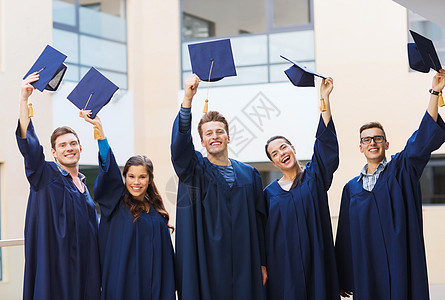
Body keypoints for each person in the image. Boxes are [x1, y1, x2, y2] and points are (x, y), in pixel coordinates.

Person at [335, 70, 445, 300]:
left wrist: (435, 92)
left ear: (386, 143)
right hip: (368, 269)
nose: (372, 142)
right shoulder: (351, 189)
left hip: (399, 263)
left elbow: (422, 139)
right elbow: (345, 235)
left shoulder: (401, 170)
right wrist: (345, 277)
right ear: (360, 147)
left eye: (377, 138)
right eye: (366, 139)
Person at [171, 74, 267, 300]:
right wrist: (188, 99)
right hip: (208, 266)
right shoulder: (194, 170)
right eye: (209, 133)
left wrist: (262, 262)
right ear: (202, 142)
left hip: (246, 264)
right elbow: (179, 148)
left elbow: (260, 221)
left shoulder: (250, 175)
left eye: (219, 132)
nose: (215, 137)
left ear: (228, 137)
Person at [17, 73, 101, 299]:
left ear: (81, 148)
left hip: (85, 274)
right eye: (62, 145)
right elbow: (29, 146)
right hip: (57, 274)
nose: (69, 148)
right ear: (54, 153)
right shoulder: (46, 176)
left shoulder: (84, 188)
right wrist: (24, 100)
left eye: (73, 143)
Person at [80, 111, 175, 300]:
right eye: (131, 176)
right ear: (125, 178)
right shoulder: (116, 205)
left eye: (142, 177)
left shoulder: (156, 210)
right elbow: (108, 170)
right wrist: (101, 136)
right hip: (124, 287)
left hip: (156, 288)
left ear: (149, 179)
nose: (136, 182)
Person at [264, 77, 340, 300]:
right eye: (275, 153)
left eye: (283, 147)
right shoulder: (268, 195)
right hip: (283, 270)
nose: (281, 154)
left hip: (317, 263)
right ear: (273, 163)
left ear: (293, 148)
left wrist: (324, 100)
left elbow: (325, 147)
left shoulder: (314, 177)